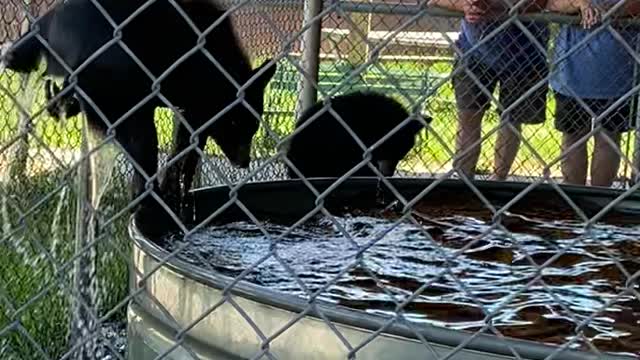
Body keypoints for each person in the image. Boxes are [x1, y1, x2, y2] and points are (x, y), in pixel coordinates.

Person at [428, 0, 551, 180]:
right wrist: (462, 5)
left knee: (511, 121)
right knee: (468, 117)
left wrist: (499, 8)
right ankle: (464, 179)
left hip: (525, 54)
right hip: (474, 51)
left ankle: (498, 180)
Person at [548, 0, 639, 187]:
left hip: (618, 68)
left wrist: (612, 10)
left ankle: (599, 199)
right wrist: (580, 4)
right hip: (572, 69)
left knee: (608, 137)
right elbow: (551, 4)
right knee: (573, 135)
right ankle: (574, 197)